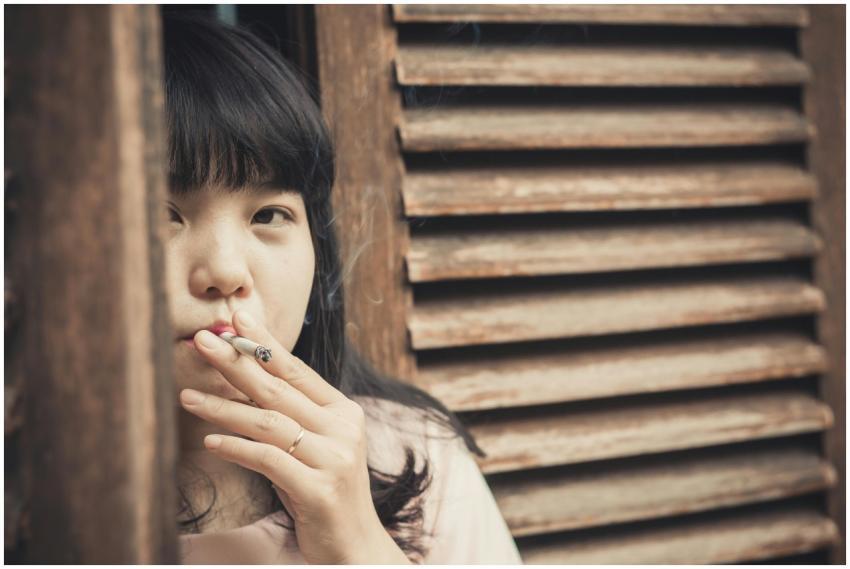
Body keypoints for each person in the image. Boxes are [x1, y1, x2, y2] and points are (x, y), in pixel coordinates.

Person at [162, 11, 522, 565]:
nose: (227, 272)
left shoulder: (416, 456)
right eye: (163, 215)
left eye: (268, 214)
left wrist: (360, 543)